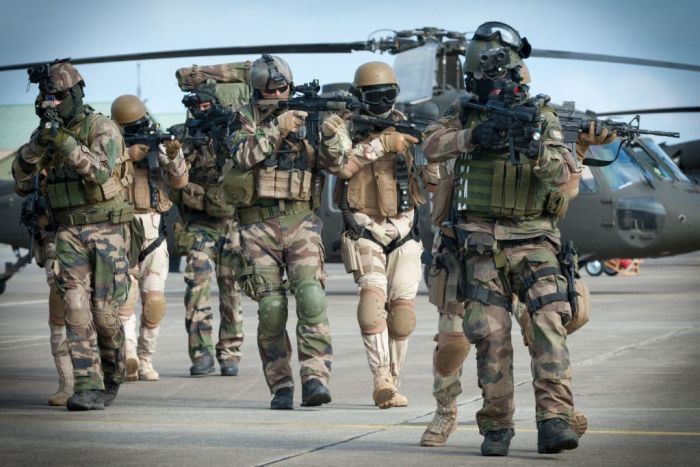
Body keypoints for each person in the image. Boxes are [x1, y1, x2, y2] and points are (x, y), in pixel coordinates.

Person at [422, 22, 583, 455]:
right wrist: (472, 137)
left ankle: (555, 421)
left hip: (534, 240)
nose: (495, 88)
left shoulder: (542, 117)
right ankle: (496, 427)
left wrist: (534, 149)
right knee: (488, 335)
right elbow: (431, 146)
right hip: (480, 241)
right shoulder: (465, 113)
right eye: (484, 80)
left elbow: (565, 176)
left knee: (549, 324)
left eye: (502, 79)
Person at [13, 60, 133, 410]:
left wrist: (64, 142)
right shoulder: (47, 134)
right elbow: (21, 179)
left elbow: (100, 172)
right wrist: (38, 145)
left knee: (105, 314)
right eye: (46, 98)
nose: (51, 103)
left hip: (106, 228)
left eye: (58, 96)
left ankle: (113, 374)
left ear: (76, 94)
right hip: (67, 232)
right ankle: (87, 385)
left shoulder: (102, 127)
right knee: (75, 308)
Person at [319, 62, 440, 408]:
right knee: (372, 305)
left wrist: (430, 154)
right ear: (360, 96)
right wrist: (383, 144)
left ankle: (393, 382)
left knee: (402, 315)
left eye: (388, 94)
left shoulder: (408, 126)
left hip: (404, 228)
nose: (382, 102)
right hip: (364, 226)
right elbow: (339, 166)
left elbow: (432, 183)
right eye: (374, 96)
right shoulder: (345, 127)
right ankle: (381, 378)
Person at [225, 54, 332, 410]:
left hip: (301, 221)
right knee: (271, 309)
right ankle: (281, 386)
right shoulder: (243, 117)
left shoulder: (310, 115)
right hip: (258, 226)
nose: (277, 95)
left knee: (311, 298)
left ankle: (315, 379)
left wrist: (332, 136)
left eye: (282, 89)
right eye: (269, 91)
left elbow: (335, 164)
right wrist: (278, 127)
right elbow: (243, 155)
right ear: (257, 91)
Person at [111, 94, 189, 381]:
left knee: (155, 302)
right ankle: (128, 356)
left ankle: (145, 358)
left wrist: (174, 155)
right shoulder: (109, 147)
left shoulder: (158, 145)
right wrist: (126, 157)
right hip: (121, 228)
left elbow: (180, 181)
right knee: (125, 300)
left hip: (154, 229)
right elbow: (98, 175)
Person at [175, 85, 243, 377]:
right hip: (201, 221)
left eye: (206, 107)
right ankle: (201, 353)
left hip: (233, 222)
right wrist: (184, 150)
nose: (201, 113)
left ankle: (230, 352)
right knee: (197, 283)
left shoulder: (234, 130)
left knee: (232, 287)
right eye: (195, 108)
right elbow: (175, 179)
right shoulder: (185, 135)